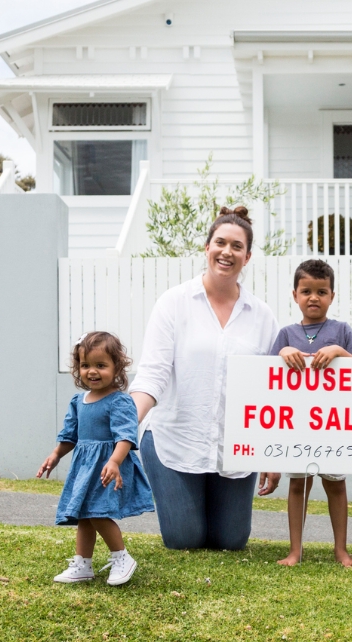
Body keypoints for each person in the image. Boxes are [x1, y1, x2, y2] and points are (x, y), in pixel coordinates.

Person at [129, 206, 280, 550]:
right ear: (207, 247)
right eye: (220, 243)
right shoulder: (174, 303)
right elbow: (151, 376)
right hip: (175, 440)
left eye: (237, 246)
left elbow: (270, 390)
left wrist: (273, 455)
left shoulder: (262, 316)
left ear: (248, 256)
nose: (227, 252)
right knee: (186, 539)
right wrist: (122, 430)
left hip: (235, 448)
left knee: (231, 541)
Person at [258, 258, 352, 567]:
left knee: (336, 484)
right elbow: (268, 375)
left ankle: (341, 551)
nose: (314, 297)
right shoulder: (287, 333)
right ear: (295, 295)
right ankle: (295, 550)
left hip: (333, 424)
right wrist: (283, 352)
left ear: (332, 295)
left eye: (322, 291)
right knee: (297, 484)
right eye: (306, 291)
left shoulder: (342, 330)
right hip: (298, 426)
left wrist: (339, 352)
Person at [38, 331, 153, 586]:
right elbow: (70, 434)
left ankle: (122, 557)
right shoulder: (78, 401)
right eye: (85, 365)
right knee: (85, 514)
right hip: (85, 467)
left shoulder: (120, 401)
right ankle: (83, 563)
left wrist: (114, 461)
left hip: (109, 465)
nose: (92, 371)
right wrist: (56, 454)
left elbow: (126, 435)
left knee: (98, 512)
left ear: (117, 367)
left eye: (101, 365)